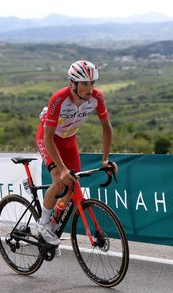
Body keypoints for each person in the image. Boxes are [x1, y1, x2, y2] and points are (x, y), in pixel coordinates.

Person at [35, 60, 118, 250]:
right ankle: (42, 224)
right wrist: (62, 169)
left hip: (69, 140)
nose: (90, 88)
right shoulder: (59, 98)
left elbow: (107, 128)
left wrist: (105, 159)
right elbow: (47, 137)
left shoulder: (97, 97)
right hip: (49, 138)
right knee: (59, 180)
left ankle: (52, 231)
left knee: (72, 185)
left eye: (92, 83)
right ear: (73, 83)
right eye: (85, 84)